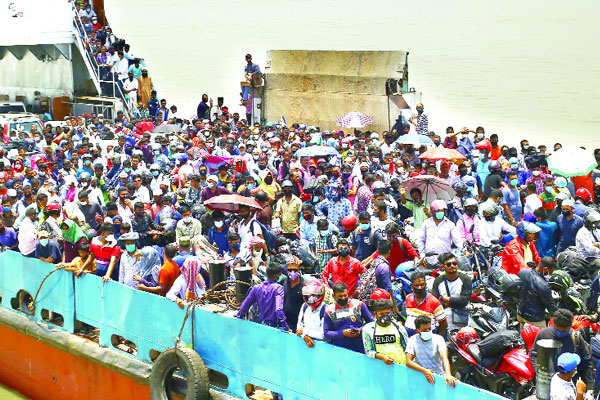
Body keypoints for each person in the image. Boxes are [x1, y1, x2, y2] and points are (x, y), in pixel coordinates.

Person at [531, 309, 593, 388]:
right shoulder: (543, 334)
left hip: (569, 382)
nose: (560, 332)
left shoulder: (575, 338)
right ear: (554, 324)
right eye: (558, 329)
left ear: (570, 326)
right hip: (548, 382)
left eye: (564, 330)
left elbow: (586, 360)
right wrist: (541, 374)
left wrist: (590, 385)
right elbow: (534, 355)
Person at [406, 315, 456, 388]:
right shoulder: (412, 340)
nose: (427, 331)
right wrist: (424, 371)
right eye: (424, 330)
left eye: (429, 329)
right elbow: (408, 361)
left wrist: (448, 374)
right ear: (417, 331)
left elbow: (444, 358)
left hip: (438, 377)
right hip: (421, 377)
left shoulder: (439, 339)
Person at [237, 263, 289, 330]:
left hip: (259, 324)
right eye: (280, 274)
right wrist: (286, 326)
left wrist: (239, 318)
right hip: (273, 326)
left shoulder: (256, 288)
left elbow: (244, 306)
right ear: (277, 276)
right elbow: (278, 309)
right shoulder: (279, 288)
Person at [323, 282, 373, 353]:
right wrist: (342, 333)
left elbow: (371, 322)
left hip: (360, 347)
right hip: (340, 349)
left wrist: (361, 330)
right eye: (340, 296)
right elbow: (326, 332)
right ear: (333, 296)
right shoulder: (329, 311)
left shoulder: (359, 305)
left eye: (345, 295)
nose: (343, 298)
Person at [416, 199, 464, 269]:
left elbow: (457, 240)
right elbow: (421, 241)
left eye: (442, 210)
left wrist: (464, 250)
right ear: (432, 211)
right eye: (438, 211)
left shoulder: (450, 224)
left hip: (445, 261)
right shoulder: (426, 224)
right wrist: (422, 256)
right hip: (429, 260)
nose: (440, 212)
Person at [432, 253, 472, 333]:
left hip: (461, 321)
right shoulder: (438, 280)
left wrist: (443, 298)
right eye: (449, 264)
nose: (452, 266)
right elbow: (435, 302)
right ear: (443, 266)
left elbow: (464, 301)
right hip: (443, 322)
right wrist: (454, 302)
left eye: (454, 263)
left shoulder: (466, 279)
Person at [362, 297, 409, 365]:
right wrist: (383, 357)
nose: (385, 316)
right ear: (375, 314)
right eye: (381, 314)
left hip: (401, 365)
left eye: (387, 313)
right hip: (381, 366)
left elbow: (407, 347)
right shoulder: (368, 329)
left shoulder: (399, 327)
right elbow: (368, 351)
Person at [517, 257, 558, 329]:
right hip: (534, 320)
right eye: (550, 272)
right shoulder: (543, 285)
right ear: (545, 269)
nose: (550, 274)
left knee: (523, 337)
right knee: (541, 339)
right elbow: (550, 305)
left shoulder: (523, 272)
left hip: (520, 313)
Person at [405, 272, 448, 337]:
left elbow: (443, 324)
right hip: (409, 337)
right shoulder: (408, 298)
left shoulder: (434, 301)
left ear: (426, 285)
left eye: (422, 285)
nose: (419, 288)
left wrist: (435, 337)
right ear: (411, 286)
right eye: (417, 285)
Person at [296, 280, 327, 348]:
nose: (311, 297)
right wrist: (304, 335)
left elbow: (322, 335)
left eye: (314, 294)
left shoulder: (325, 309)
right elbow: (299, 327)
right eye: (309, 294)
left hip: (320, 347)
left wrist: (304, 331)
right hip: (305, 345)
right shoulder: (305, 306)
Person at [282, 256, 306, 332]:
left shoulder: (304, 284)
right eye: (290, 270)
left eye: (295, 270)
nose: (292, 272)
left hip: (298, 324)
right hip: (285, 322)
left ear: (299, 269)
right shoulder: (283, 282)